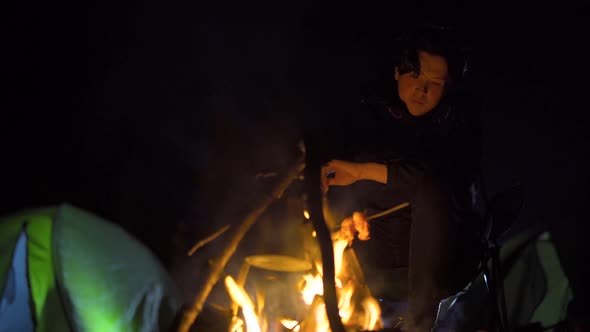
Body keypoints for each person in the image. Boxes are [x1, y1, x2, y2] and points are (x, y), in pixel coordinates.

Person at [321, 26, 482, 331]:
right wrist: (351, 214)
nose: (422, 90)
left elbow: (430, 179)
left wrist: (360, 171)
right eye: (415, 77)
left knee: (434, 190)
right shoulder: (374, 113)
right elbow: (353, 177)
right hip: (379, 266)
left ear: (447, 87)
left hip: (441, 265)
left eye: (434, 83)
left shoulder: (458, 122)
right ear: (397, 71)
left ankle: (419, 326)